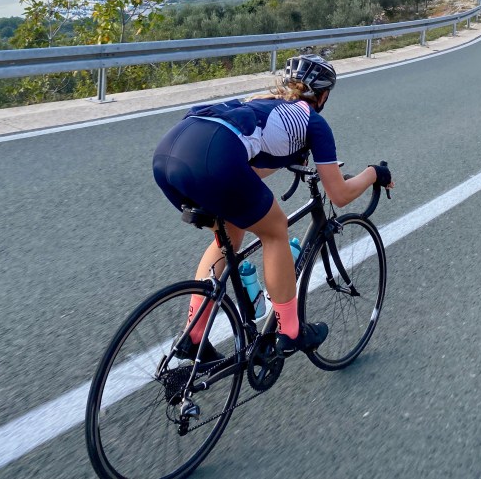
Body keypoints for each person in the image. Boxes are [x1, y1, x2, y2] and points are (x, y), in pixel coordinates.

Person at [152, 54, 393, 361]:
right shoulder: (313, 121)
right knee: (275, 230)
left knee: (231, 231)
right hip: (215, 158)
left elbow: (251, 163)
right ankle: (291, 332)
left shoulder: (260, 101)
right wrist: (374, 172)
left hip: (169, 154)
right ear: (323, 95)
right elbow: (339, 195)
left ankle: (193, 335)